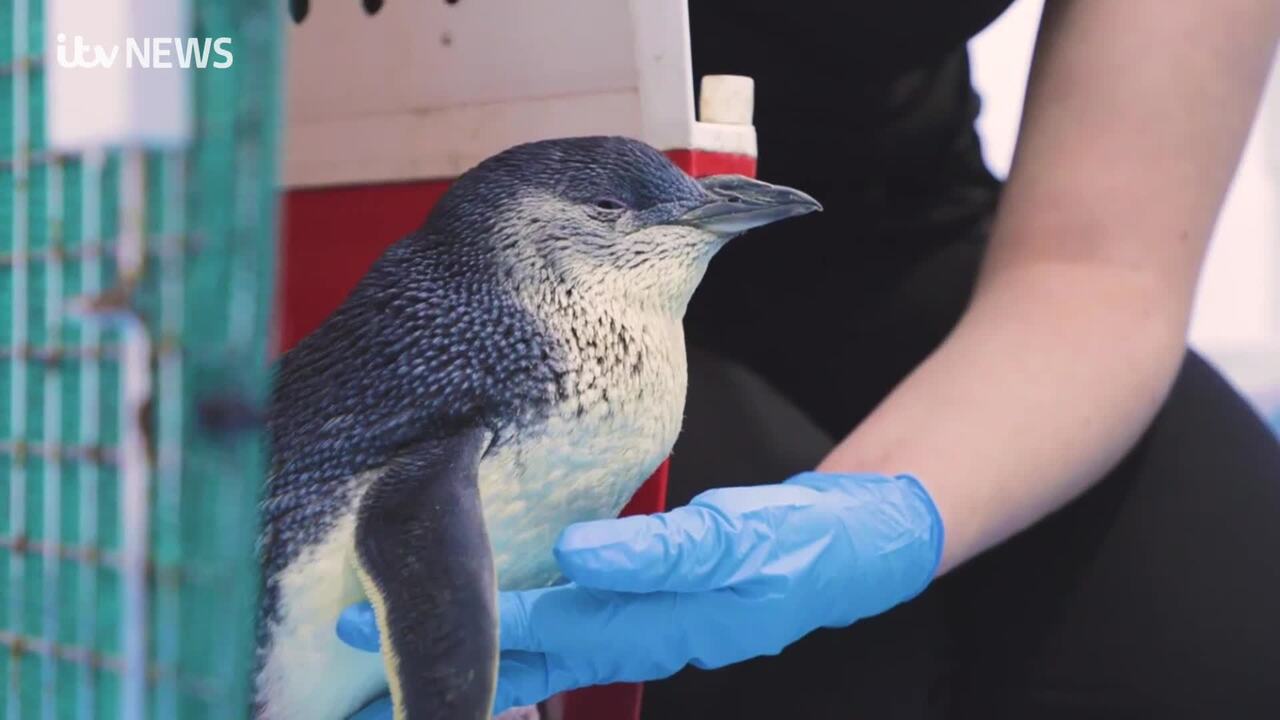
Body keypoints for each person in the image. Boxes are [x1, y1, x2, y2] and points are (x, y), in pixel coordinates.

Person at [339, 1, 1280, 717]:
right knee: (819, 680)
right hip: (435, 259)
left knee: (1217, 642)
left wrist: (888, 514)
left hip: (899, 232)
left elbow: (1099, 266)